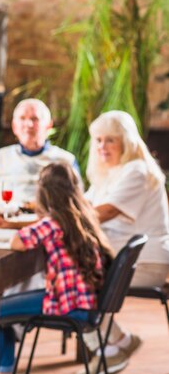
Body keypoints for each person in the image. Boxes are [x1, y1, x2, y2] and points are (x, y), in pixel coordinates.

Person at [0, 163, 114, 374]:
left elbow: (18, 242)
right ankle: (5, 366)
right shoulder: (83, 216)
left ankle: (4, 369)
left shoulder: (53, 223)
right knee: (1, 308)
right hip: (86, 301)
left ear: (44, 194)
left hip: (65, 304)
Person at [80, 110, 169, 373]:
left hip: (145, 263)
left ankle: (108, 349)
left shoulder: (136, 170)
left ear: (126, 142)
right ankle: (118, 342)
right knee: (77, 273)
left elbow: (104, 211)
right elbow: (82, 205)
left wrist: (62, 220)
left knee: (75, 278)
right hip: (124, 258)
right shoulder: (111, 172)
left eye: (110, 140)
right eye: (98, 140)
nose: (102, 147)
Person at [0, 98, 80, 208]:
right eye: (22, 118)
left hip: (46, 222)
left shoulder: (66, 160)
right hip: (4, 221)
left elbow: (77, 201)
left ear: (49, 126)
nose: (29, 124)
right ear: (14, 126)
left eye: (35, 119)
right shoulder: (0, 156)